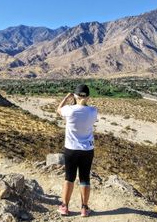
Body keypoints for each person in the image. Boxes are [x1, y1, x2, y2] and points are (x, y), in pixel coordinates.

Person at [56, 84, 98, 217]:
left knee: (69, 178)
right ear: (88, 96)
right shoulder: (93, 111)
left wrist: (66, 98)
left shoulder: (69, 110)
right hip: (87, 150)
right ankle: (84, 208)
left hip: (71, 149)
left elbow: (58, 110)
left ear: (75, 95)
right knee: (85, 178)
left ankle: (64, 207)